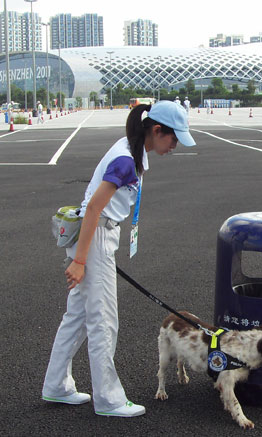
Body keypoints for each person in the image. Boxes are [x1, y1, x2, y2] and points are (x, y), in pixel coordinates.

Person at [42, 101, 196, 418]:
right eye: (174, 138)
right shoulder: (125, 159)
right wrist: (82, 261)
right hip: (94, 236)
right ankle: (110, 400)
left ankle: (56, 385)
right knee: (103, 323)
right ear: (157, 131)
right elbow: (95, 208)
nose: (175, 146)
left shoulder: (130, 150)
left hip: (97, 236)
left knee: (78, 319)